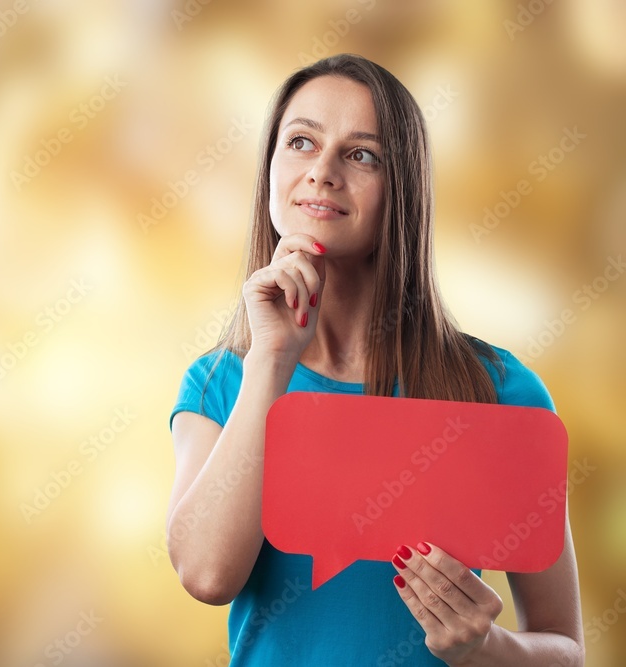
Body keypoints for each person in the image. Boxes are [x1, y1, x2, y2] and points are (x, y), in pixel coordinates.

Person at [166, 54, 584, 666]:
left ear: (404, 186)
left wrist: (485, 648)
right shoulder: (220, 383)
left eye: (362, 155)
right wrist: (273, 360)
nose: (323, 173)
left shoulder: (501, 390)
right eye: (302, 142)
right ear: (271, 167)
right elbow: (205, 575)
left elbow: (567, 650)